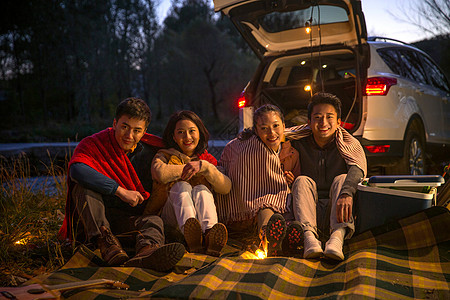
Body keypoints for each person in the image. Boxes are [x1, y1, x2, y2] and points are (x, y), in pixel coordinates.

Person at [58, 98, 185, 272]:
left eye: (137, 130)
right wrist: (119, 191)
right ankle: (106, 245)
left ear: (144, 132)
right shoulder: (94, 144)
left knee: (153, 221)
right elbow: (77, 170)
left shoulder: (152, 151)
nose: (129, 135)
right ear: (115, 123)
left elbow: (190, 152)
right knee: (83, 186)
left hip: (126, 223)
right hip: (96, 223)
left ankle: (146, 254)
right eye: (124, 127)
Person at [286, 92, 367, 261]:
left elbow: (357, 168)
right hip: (307, 212)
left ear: (338, 122)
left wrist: (346, 193)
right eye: (317, 117)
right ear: (309, 122)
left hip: (338, 210)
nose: (323, 123)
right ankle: (309, 240)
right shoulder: (297, 142)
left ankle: (336, 239)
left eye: (329, 117)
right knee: (301, 181)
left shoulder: (348, 144)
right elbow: (273, 134)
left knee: (343, 179)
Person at [216, 104, 302, 256]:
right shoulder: (247, 147)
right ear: (256, 131)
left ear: (284, 126)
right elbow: (229, 162)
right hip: (249, 207)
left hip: (283, 203)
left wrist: (290, 181)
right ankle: (270, 242)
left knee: (276, 208)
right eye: (264, 128)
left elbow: (296, 184)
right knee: (266, 206)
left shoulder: (292, 153)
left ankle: (283, 239)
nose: (271, 133)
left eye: (276, 126)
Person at [150, 111, 231, 256]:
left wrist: (204, 167)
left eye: (192, 131)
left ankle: (209, 234)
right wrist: (189, 167)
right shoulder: (165, 155)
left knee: (201, 189)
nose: (187, 137)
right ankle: (190, 235)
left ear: (199, 133)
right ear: (174, 137)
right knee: (182, 186)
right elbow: (160, 174)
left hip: (201, 219)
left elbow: (226, 187)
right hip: (172, 219)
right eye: (181, 132)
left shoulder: (205, 159)